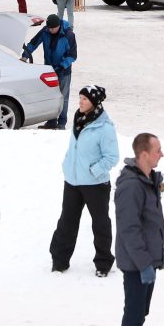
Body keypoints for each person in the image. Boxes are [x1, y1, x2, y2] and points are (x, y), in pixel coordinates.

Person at [49, 85, 118, 275]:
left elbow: (112, 157)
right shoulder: (78, 120)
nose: (80, 102)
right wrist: (67, 164)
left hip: (95, 184)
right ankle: (59, 261)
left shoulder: (105, 128)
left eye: (84, 99)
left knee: (100, 224)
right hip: (72, 181)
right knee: (66, 222)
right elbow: (75, 149)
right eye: (80, 98)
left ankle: (103, 264)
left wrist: (93, 171)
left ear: (94, 103)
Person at [114, 133, 164, 326]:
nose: (162, 154)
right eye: (158, 150)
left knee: (141, 312)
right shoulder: (131, 185)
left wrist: (158, 255)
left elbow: (151, 222)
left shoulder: (148, 179)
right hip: (136, 263)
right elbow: (129, 229)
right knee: (134, 312)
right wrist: (145, 263)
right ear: (144, 154)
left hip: (147, 260)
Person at [22, 14, 77, 130]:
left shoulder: (69, 35)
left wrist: (62, 66)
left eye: (53, 28)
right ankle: (51, 122)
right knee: (50, 95)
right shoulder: (45, 31)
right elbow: (34, 43)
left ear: (58, 26)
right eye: (49, 28)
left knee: (63, 97)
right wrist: (25, 56)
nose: (50, 30)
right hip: (49, 70)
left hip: (63, 71)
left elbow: (72, 55)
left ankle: (61, 123)